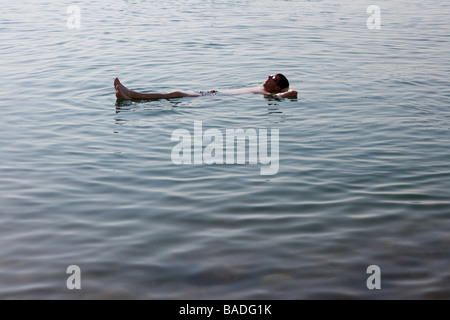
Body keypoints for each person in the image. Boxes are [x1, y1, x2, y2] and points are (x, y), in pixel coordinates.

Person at [114, 74, 298, 100]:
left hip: (213, 98)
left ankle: (132, 95)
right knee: (175, 94)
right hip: (212, 94)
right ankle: (130, 95)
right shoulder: (263, 88)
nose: (268, 77)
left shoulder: (270, 95)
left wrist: (285, 92)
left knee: (176, 94)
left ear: (276, 87)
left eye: (273, 78)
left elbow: (292, 92)